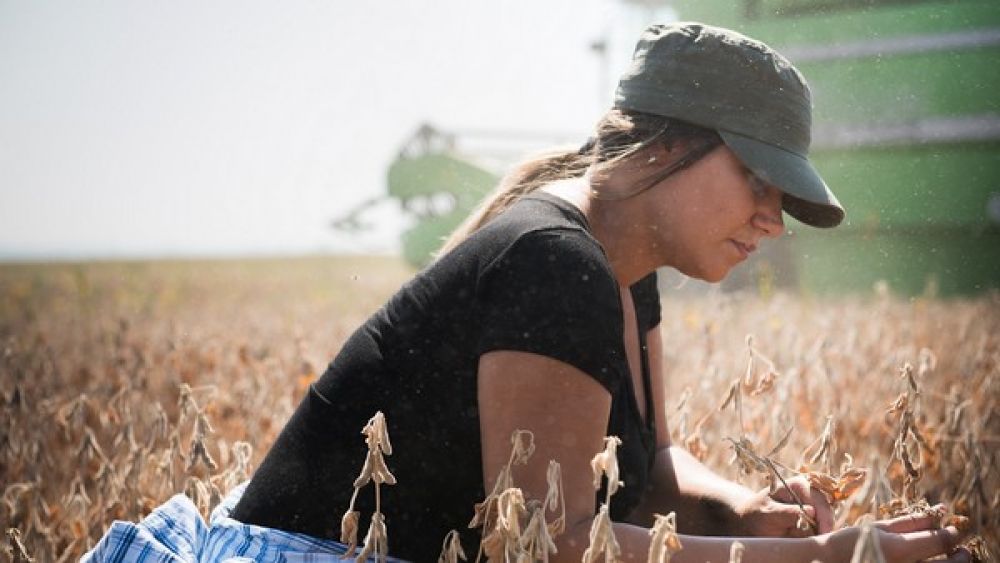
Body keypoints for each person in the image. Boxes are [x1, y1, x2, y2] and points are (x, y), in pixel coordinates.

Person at [85, 22, 970, 563]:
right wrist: (821, 557)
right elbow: (553, 546)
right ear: (665, 147)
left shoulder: (624, 271)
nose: (772, 219)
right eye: (759, 182)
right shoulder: (556, 262)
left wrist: (744, 509)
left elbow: (652, 467)